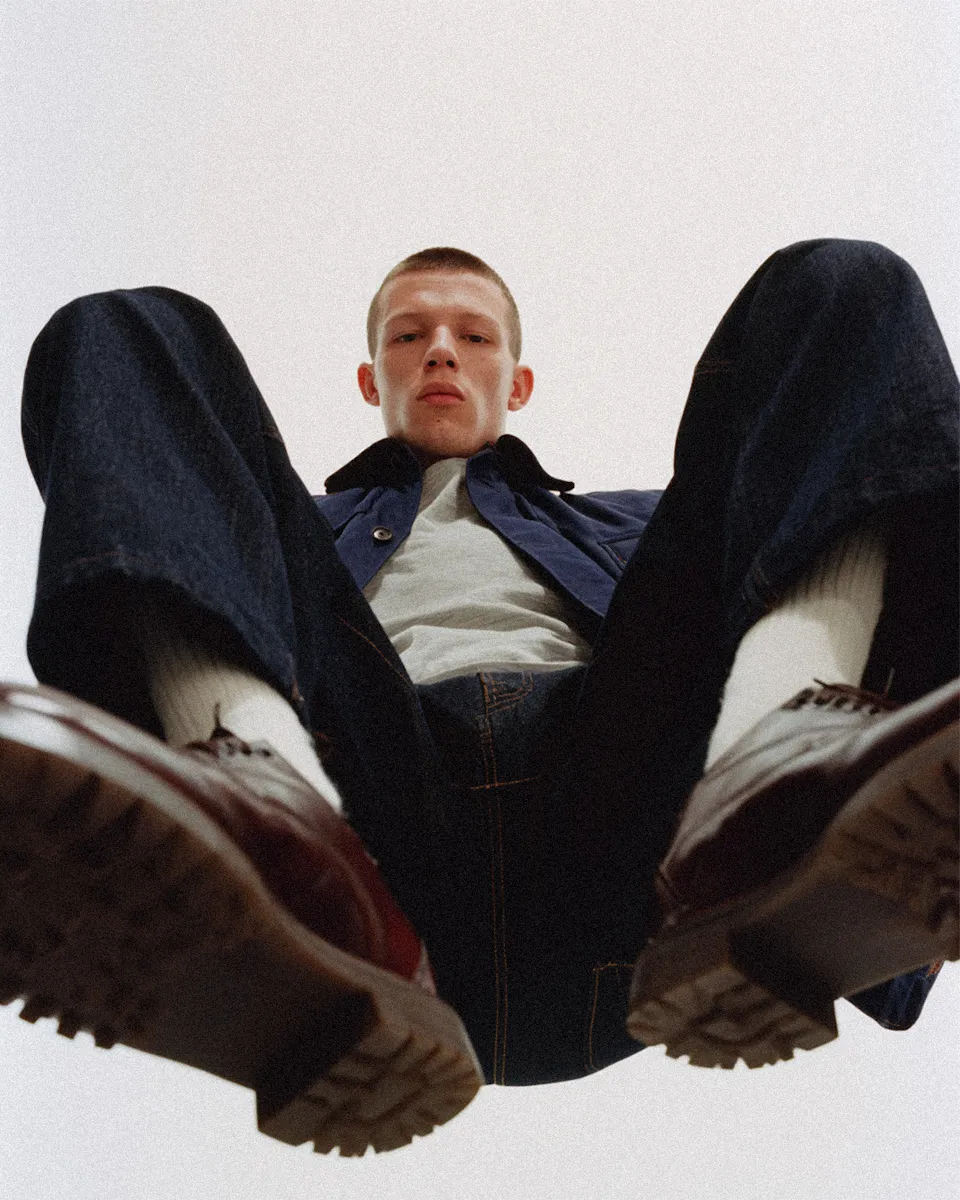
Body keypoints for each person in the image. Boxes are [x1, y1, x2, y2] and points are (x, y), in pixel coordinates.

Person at [2, 241, 957, 1156]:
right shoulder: (265, 538)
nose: (442, 352)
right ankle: (268, 834)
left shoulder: (635, 526)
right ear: (373, 380)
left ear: (519, 382)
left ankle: (781, 784)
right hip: (378, 843)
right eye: (410, 336)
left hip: (642, 833)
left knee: (844, 283)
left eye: (475, 335)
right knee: (124, 327)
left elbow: (834, 472)